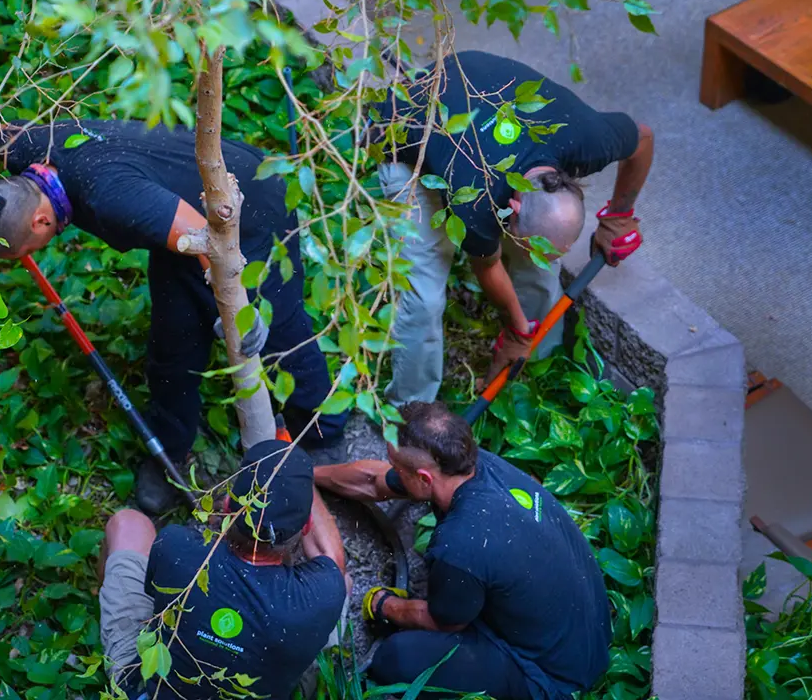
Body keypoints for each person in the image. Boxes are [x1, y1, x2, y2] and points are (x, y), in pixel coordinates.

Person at [0, 119, 349, 512]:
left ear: (40, 221)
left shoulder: (109, 197)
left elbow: (209, 238)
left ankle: (322, 430)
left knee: (278, 333)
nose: (31, 256)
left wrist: (240, 308)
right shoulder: (27, 147)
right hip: (178, 217)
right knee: (173, 343)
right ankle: (170, 444)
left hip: (246, 210)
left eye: (25, 251)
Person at [370, 50, 654, 403]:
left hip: (476, 95)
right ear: (512, 208)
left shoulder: (585, 137)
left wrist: (619, 216)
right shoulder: (473, 200)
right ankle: (409, 410)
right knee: (424, 292)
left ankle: (536, 365)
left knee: (536, 267)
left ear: (567, 181)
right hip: (408, 138)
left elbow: (643, 139)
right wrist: (516, 330)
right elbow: (486, 266)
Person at [313, 401, 611, 700]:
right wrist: (308, 475)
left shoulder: (460, 543)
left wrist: (384, 605)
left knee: (396, 658)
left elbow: (444, 622)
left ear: (424, 478)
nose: (393, 472)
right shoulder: (474, 467)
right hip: (586, 623)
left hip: (554, 674)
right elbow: (372, 480)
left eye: (398, 468)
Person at [98, 439, 348, 699]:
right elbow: (330, 558)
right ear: (306, 526)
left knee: (127, 524)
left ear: (227, 506)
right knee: (344, 590)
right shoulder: (322, 594)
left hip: (153, 688)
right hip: (263, 686)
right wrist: (301, 481)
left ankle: (102, 593)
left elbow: (154, 597)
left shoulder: (176, 549)